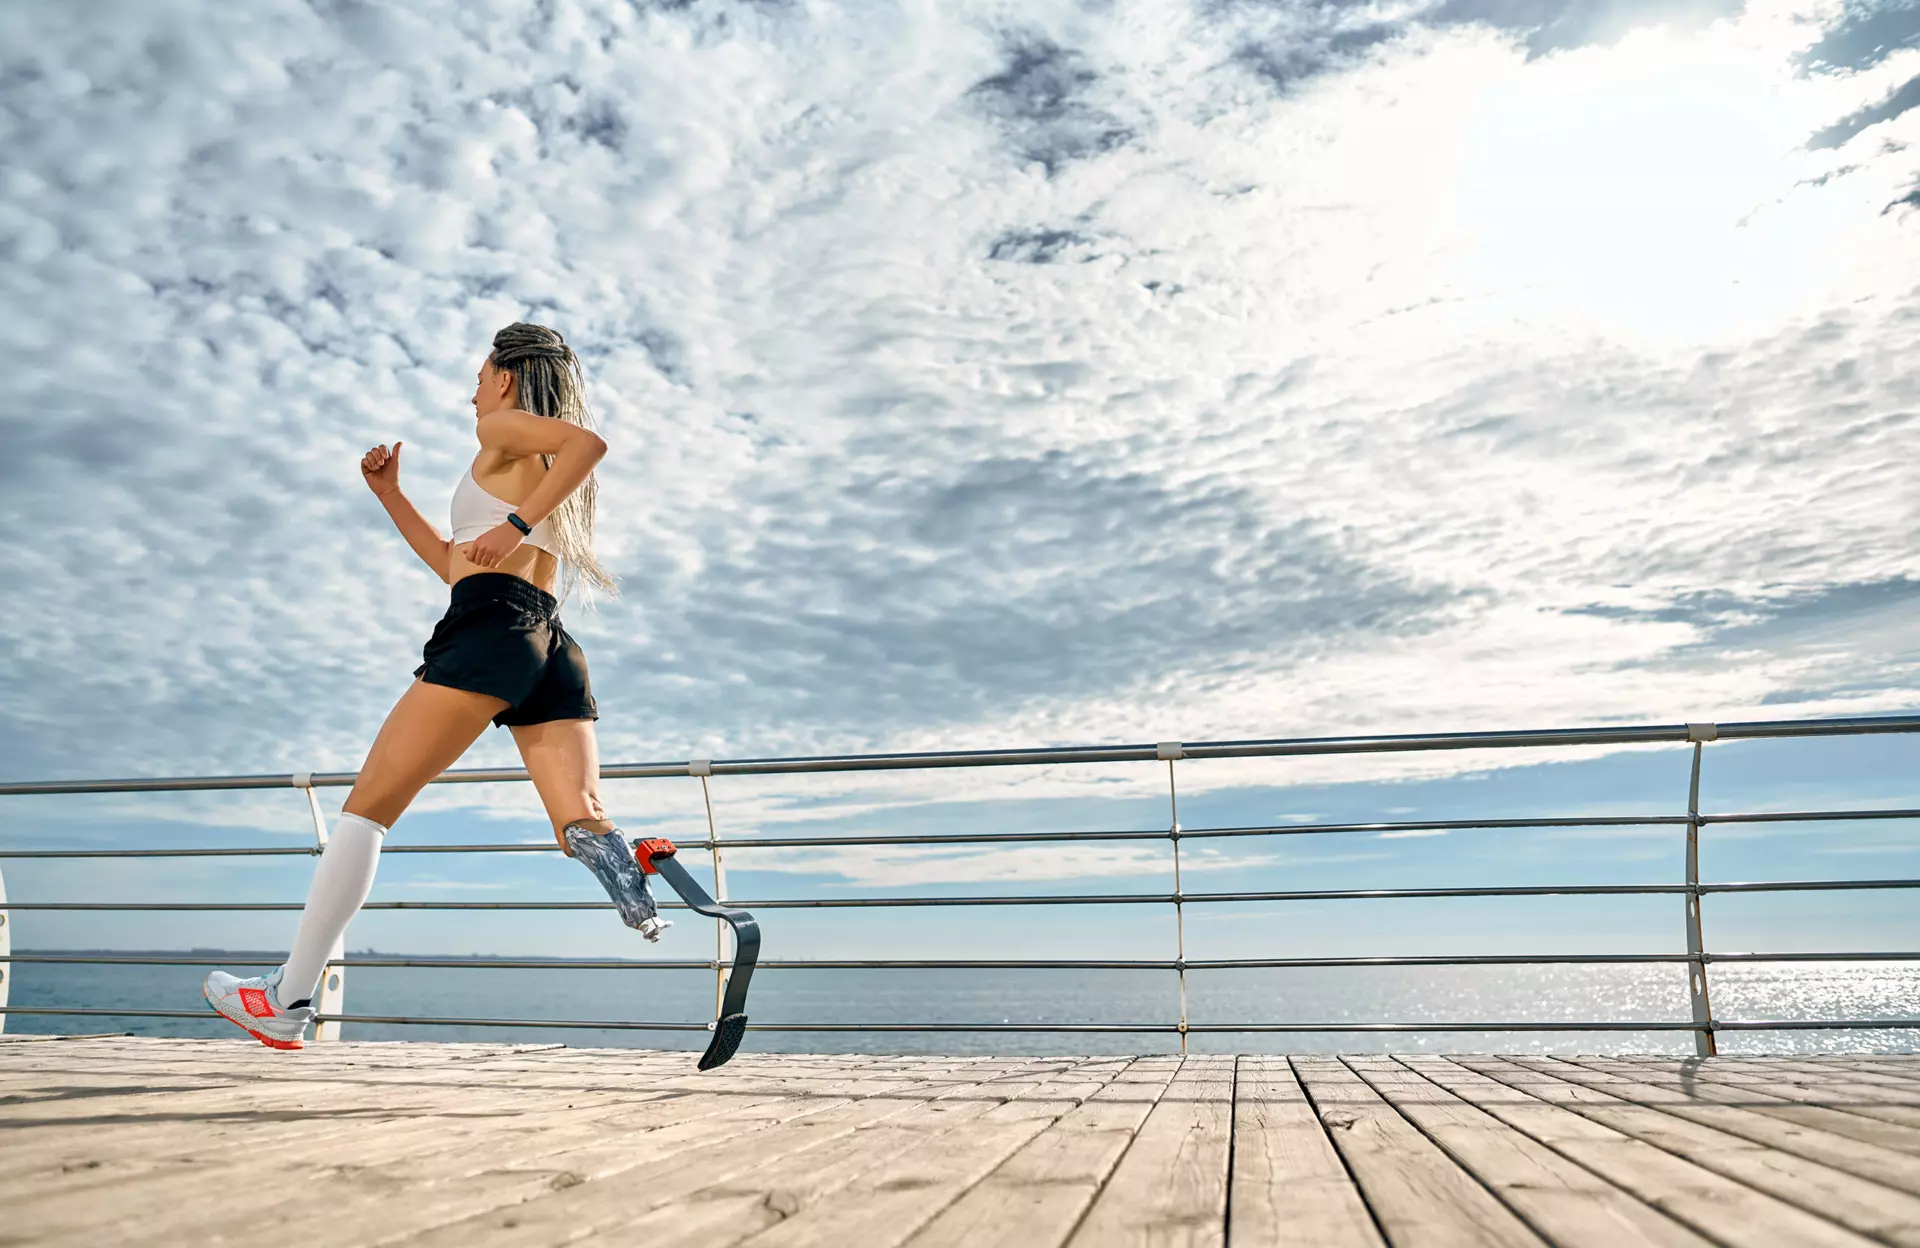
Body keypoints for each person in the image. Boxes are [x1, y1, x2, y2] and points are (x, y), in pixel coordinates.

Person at [204, 322, 671, 1050]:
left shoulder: (504, 431)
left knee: (365, 812)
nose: (472, 390)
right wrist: (391, 495)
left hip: (489, 631)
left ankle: (288, 998)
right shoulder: (528, 462)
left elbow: (592, 444)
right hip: (545, 641)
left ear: (506, 379)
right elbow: (456, 564)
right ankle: (624, 859)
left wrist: (515, 525)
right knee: (579, 816)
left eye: (480, 376)